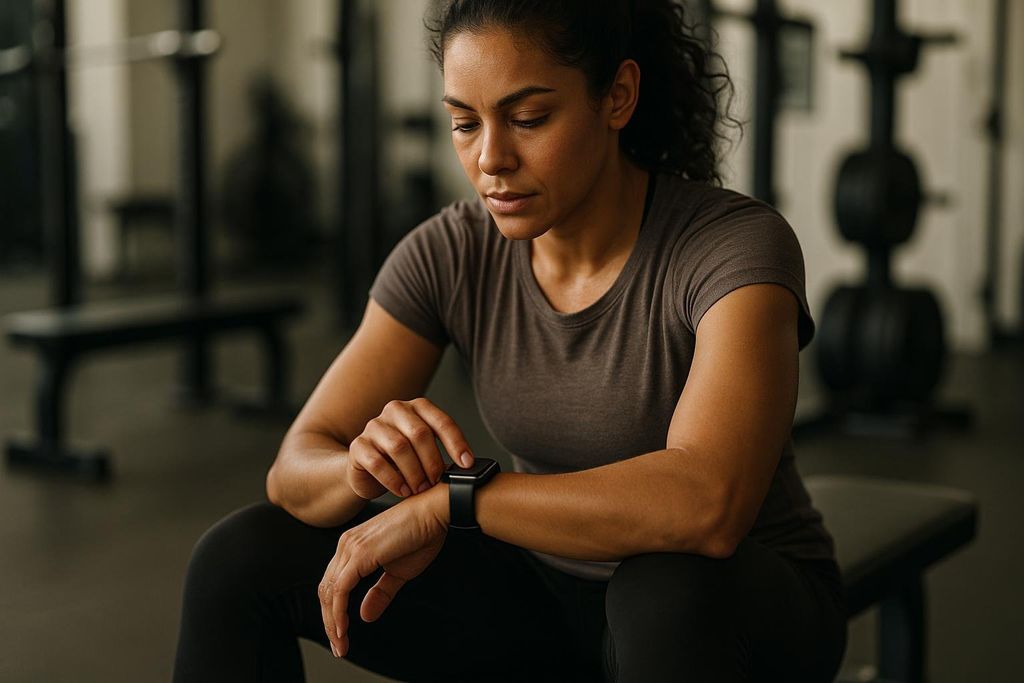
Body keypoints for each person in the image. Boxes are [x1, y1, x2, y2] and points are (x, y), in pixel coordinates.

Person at [173, 0, 848, 680]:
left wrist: (455, 502)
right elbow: (293, 466)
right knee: (239, 557)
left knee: (661, 588)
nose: (490, 158)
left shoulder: (731, 246)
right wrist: (358, 469)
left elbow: (708, 503)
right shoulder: (452, 251)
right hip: (548, 588)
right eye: (465, 123)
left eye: (528, 119)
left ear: (617, 96)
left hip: (735, 604)